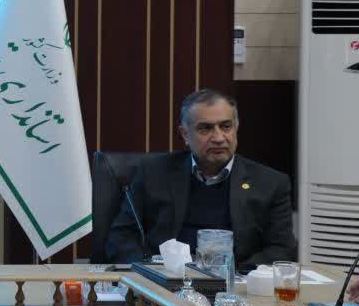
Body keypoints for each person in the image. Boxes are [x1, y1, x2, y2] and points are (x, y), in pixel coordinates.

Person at [105, 89, 296, 273]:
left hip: (236, 283)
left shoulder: (271, 183)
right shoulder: (153, 172)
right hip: (164, 281)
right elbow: (121, 236)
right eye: (205, 128)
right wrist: (150, 273)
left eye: (226, 126)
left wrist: (234, 275)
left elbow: (281, 248)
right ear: (185, 134)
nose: (219, 138)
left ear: (236, 129)